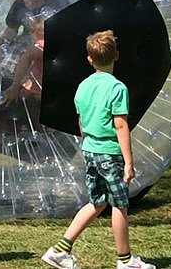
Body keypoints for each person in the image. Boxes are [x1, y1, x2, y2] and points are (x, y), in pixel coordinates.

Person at [42, 30, 154, 269]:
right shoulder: (117, 88)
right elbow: (121, 125)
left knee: (97, 201)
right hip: (110, 153)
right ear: (117, 55)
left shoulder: (83, 86)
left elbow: (81, 121)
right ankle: (125, 260)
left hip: (90, 150)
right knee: (119, 205)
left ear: (89, 59)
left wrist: (88, 144)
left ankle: (61, 249)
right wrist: (129, 162)